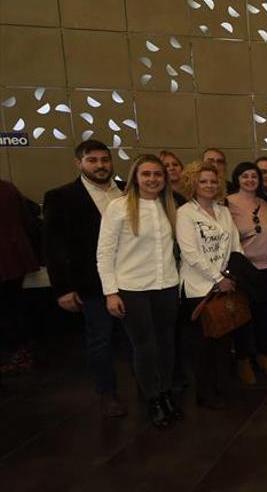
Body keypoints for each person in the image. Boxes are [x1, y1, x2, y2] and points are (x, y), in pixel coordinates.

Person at [96, 154, 181, 428]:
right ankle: (152, 398)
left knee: (167, 344)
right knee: (145, 347)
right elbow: (105, 253)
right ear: (136, 178)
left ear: (164, 179)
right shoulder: (118, 207)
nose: (152, 179)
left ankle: (166, 392)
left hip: (166, 285)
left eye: (157, 174)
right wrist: (111, 292)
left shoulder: (170, 206)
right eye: (146, 174)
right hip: (132, 288)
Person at [44, 139, 127, 417]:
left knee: (137, 339)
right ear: (78, 163)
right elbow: (54, 246)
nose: (101, 165)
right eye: (93, 160)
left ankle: (150, 387)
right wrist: (63, 289)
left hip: (132, 279)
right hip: (92, 284)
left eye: (105, 159)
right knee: (100, 340)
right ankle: (107, 394)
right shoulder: (62, 196)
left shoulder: (127, 191)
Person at [177, 161, 241, 409]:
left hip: (225, 283)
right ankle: (205, 392)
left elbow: (235, 245)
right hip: (198, 288)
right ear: (193, 183)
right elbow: (190, 253)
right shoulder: (186, 213)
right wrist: (217, 278)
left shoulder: (223, 210)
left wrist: (231, 275)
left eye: (213, 181)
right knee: (202, 345)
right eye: (203, 181)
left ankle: (223, 385)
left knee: (224, 339)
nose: (209, 185)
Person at [227, 162, 267, 383]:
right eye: (245, 176)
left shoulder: (265, 204)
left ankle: (262, 354)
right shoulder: (227, 204)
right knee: (243, 317)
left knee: (264, 315)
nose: (250, 180)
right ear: (237, 178)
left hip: (266, 269)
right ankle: (243, 359)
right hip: (243, 271)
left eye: (254, 176)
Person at [0, 178, 40, 388]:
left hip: (6, 260)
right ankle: (22, 353)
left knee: (8, 311)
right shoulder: (7, 187)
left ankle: (18, 354)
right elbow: (30, 214)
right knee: (13, 307)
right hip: (15, 257)